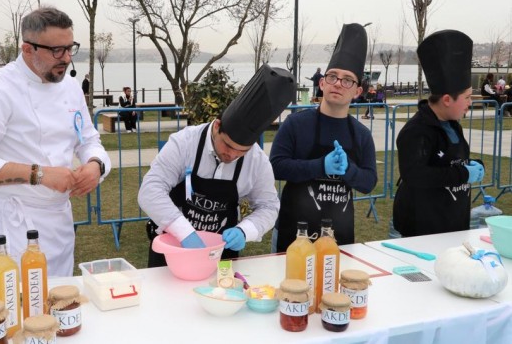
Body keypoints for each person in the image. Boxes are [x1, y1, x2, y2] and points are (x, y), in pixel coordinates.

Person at [0, 7, 111, 277]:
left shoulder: (71, 87)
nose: (66, 58)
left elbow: (88, 139)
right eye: (56, 51)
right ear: (27, 49)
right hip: (12, 223)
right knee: (17, 306)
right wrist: (38, 174)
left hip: (59, 220)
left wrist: (96, 165)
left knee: (60, 300)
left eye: (69, 48)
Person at [139, 63, 296, 268]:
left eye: (241, 151)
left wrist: (245, 230)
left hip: (222, 254)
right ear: (217, 125)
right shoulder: (184, 143)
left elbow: (269, 206)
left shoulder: (257, 161)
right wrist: (185, 233)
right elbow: (150, 190)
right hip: (173, 247)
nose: (231, 155)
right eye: (228, 145)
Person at [270, 23, 378, 252]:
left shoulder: (362, 135)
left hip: (340, 237)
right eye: (332, 77)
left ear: (357, 91)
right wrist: (321, 165)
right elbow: (276, 167)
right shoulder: (296, 123)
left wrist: (349, 170)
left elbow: (369, 183)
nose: (338, 83)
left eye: (347, 79)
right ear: (321, 83)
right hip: (294, 234)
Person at [392, 30, 485, 237]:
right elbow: (415, 175)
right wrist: (464, 174)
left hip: (453, 223)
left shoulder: (453, 125)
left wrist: (474, 165)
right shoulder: (416, 131)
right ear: (446, 100)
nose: (471, 103)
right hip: (422, 228)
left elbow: (453, 162)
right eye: (467, 97)